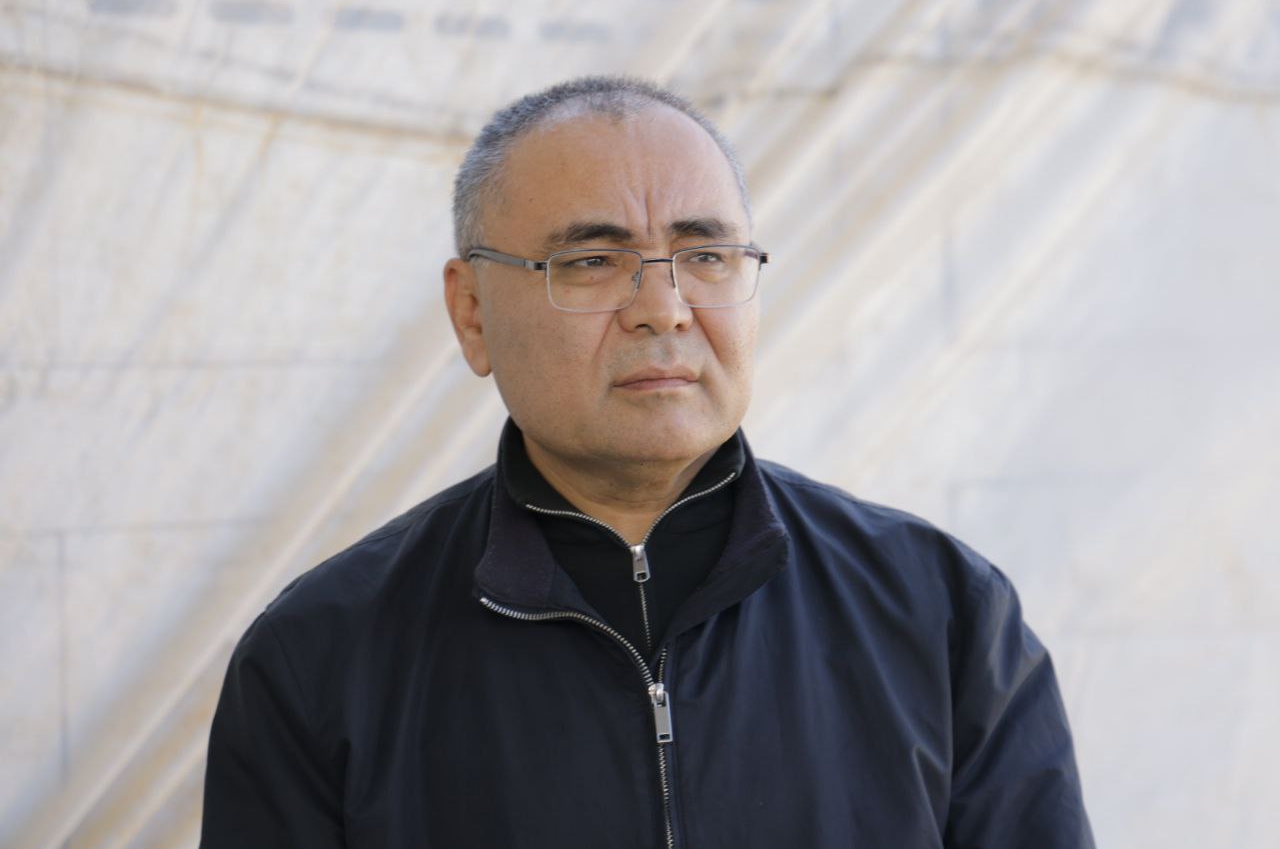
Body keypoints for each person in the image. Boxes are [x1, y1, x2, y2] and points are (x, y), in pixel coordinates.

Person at [201, 76, 1094, 848]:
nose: (663, 307)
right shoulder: (321, 657)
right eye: (594, 260)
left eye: (706, 255)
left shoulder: (943, 615)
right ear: (471, 311)